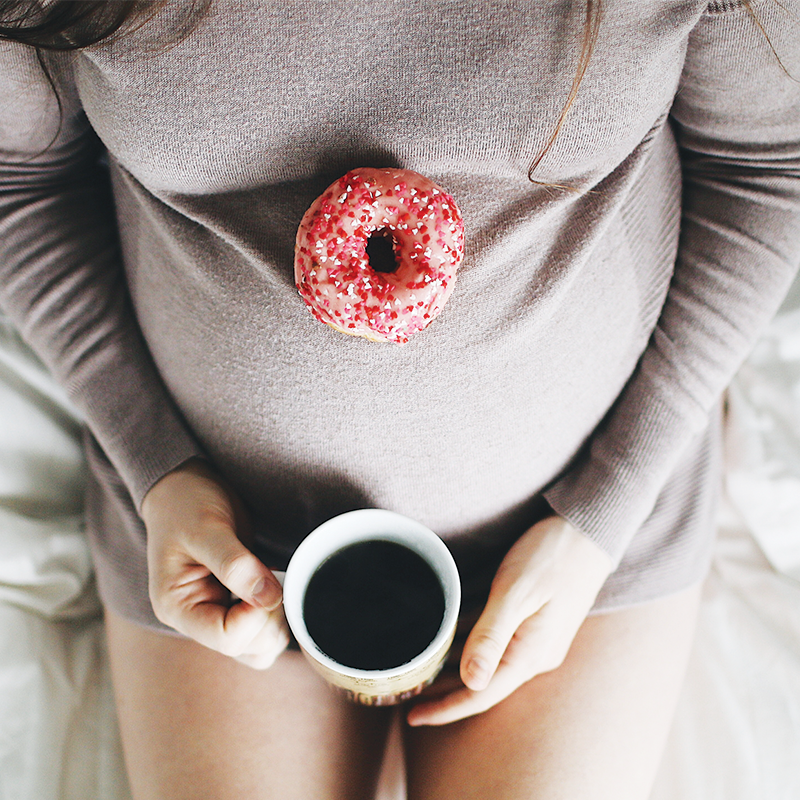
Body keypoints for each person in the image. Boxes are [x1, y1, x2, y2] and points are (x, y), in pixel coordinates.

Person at [1, 1, 798, 798]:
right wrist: (154, 465)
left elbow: (766, 164)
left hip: (583, 528)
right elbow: (20, 179)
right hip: (220, 541)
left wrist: (604, 514)